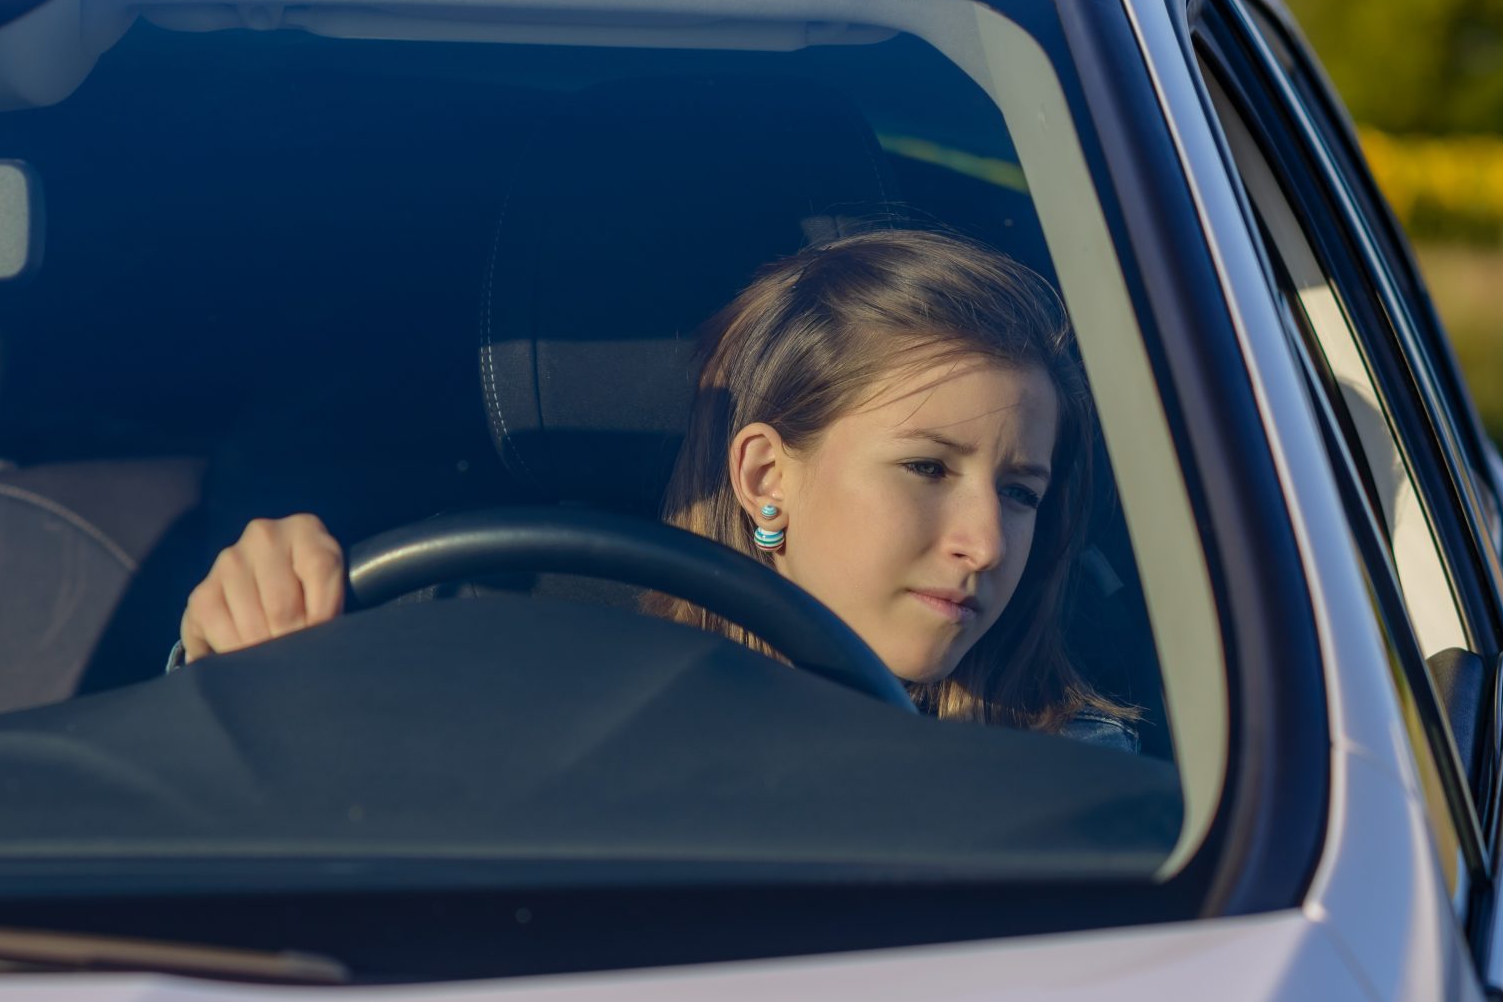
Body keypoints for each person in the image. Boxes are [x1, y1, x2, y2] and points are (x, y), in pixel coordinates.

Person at [176, 228, 1140, 747]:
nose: (986, 541)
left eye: (1020, 491)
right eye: (927, 468)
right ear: (767, 474)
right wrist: (235, 654)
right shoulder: (479, 662)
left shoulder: (1070, 772)